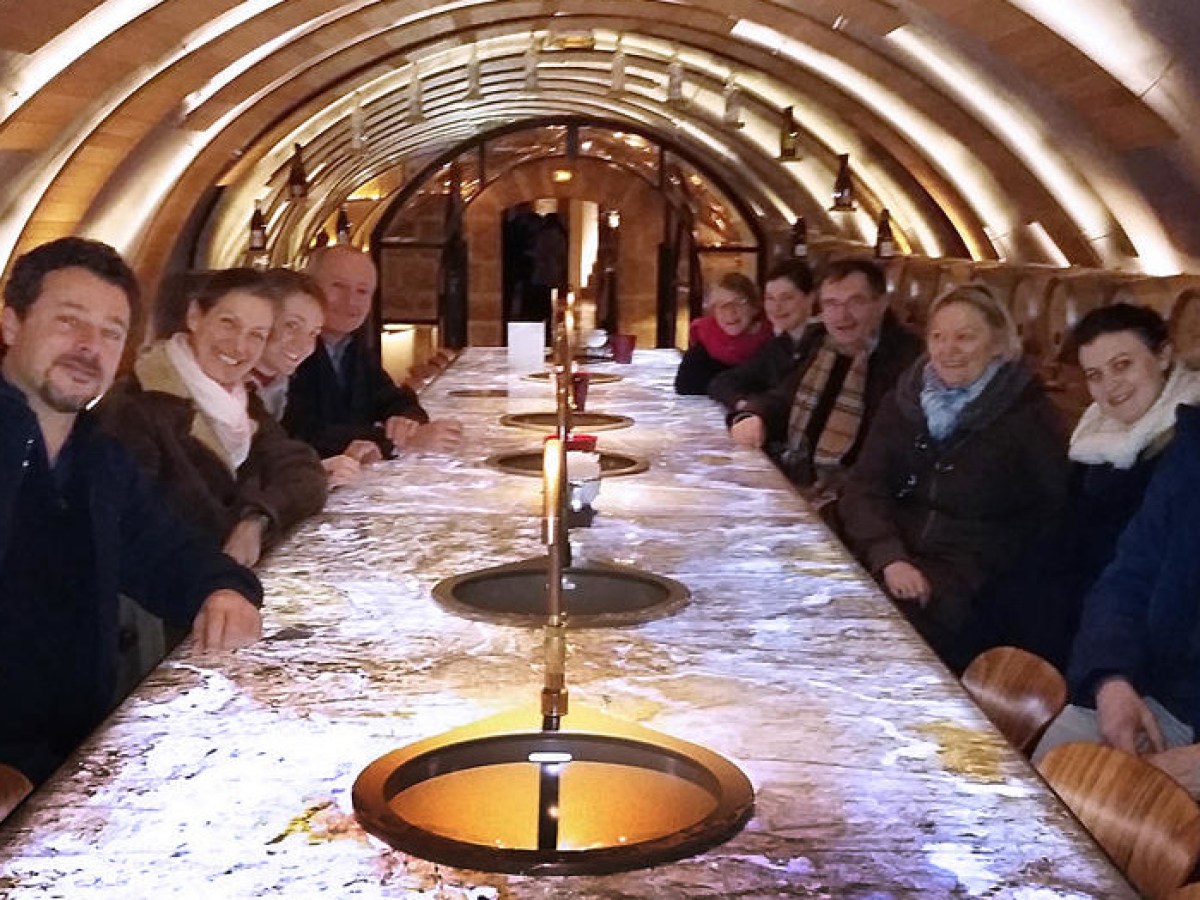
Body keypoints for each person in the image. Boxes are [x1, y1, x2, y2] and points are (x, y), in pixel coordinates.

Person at [0, 237, 262, 786]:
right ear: (9, 324)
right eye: (69, 322)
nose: (89, 346)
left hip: (75, 760)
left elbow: (169, 552)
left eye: (111, 333)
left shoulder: (99, 459)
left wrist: (222, 589)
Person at [837, 285, 1068, 672]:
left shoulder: (1029, 418)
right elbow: (865, 486)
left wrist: (954, 579)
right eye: (938, 337)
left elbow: (1045, 525)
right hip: (891, 561)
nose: (948, 349)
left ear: (998, 343)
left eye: (965, 337)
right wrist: (888, 554)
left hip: (970, 592)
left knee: (869, 649)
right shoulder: (906, 400)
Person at [99, 267, 328, 568]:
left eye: (256, 335)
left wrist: (256, 520)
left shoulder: (241, 401)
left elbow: (304, 471)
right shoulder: (134, 408)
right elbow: (152, 533)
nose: (239, 347)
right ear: (195, 316)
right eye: (228, 324)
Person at [1033, 403, 1200, 798]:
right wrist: (1111, 680)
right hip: (1153, 689)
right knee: (1039, 790)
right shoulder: (1192, 452)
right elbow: (1128, 576)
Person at [1041, 303, 1200, 666]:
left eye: (1123, 365)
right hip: (1082, 613)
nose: (1110, 385)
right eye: (1095, 375)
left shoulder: (1184, 449)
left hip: (1125, 638)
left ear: (1163, 356)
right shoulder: (1093, 438)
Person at [729, 258, 922, 494]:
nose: (842, 315)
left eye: (855, 302)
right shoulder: (821, 343)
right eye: (831, 304)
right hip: (802, 480)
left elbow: (888, 455)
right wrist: (753, 416)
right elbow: (784, 398)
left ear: (881, 304)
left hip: (851, 497)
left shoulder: (906, 360)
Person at [283, 245, 463, 460]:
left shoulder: (351, 346)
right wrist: (400, 441)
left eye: (362, 291)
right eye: (338, 286)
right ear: (309, 290)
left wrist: (406, 421)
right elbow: (305, 434)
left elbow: (394, 399)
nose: (351, 300)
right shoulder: (291, 349)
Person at [248, 268, 363, 488]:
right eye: (292, 326)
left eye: (313, 333)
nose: (303, 345)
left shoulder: (282, 383)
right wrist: (312, 476)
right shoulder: (236, 389)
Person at [708, 258, 818, 412]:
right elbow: (722, 382)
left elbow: (787, 397)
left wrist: (755, 407)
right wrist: (742, 403)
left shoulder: (822, 343)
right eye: (770, 298)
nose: (776, 307)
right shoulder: (778, 345)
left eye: (787, 298)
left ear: (810, 299)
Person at [675, 272, 771, 395]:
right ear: (713, 312)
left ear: (755, 307)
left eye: (739, 302)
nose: (730, 311)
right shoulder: (707, 340)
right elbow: (686, 385)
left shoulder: (772, 341)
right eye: (721, 305)